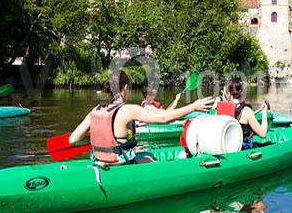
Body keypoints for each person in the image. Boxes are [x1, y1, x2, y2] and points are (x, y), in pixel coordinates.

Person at [70, 70, 213, 165]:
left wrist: (97, 139)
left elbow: (73, 139)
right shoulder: (128, 110)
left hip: (100, 161)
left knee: (148, 155)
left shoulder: (96, 110)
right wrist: (193, 106)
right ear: (125, 88)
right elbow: (164, 119)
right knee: (152, 161)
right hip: (120, 165)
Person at [224, 77, 269, 150]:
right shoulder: (246, 112)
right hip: (243, 148)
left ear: (229, 93)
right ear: (241, 92)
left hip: (228, 146)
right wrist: (264, 113)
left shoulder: (223, 108)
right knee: (268, 144)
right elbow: (263, 134)